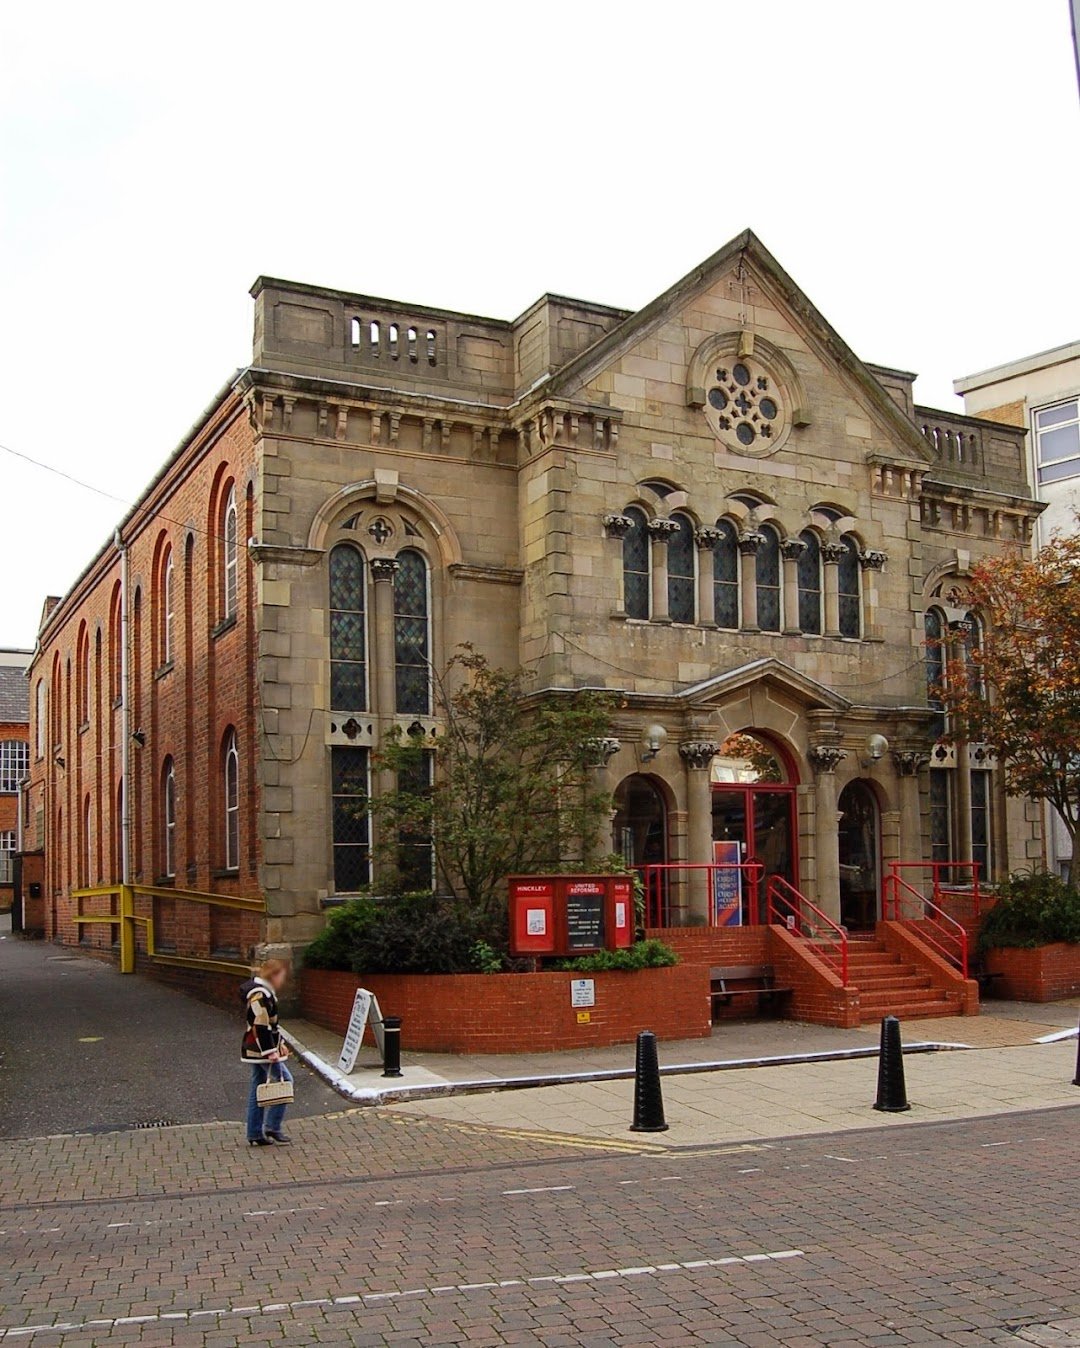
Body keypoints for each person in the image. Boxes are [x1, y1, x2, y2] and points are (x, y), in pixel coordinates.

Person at [241, 957, 293, 1147]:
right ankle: (272, 1126)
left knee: (258, 1087)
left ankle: (255, 1132)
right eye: (281, 976)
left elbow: (269, 1027)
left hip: (256, 1048)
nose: (282, 981)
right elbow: (261, 1025)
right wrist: (271, 1051)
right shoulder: (260, 995)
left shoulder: (262, 993)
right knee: (285, 1081)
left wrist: (280, 1044)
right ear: (274, 975)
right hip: (260, 1050)